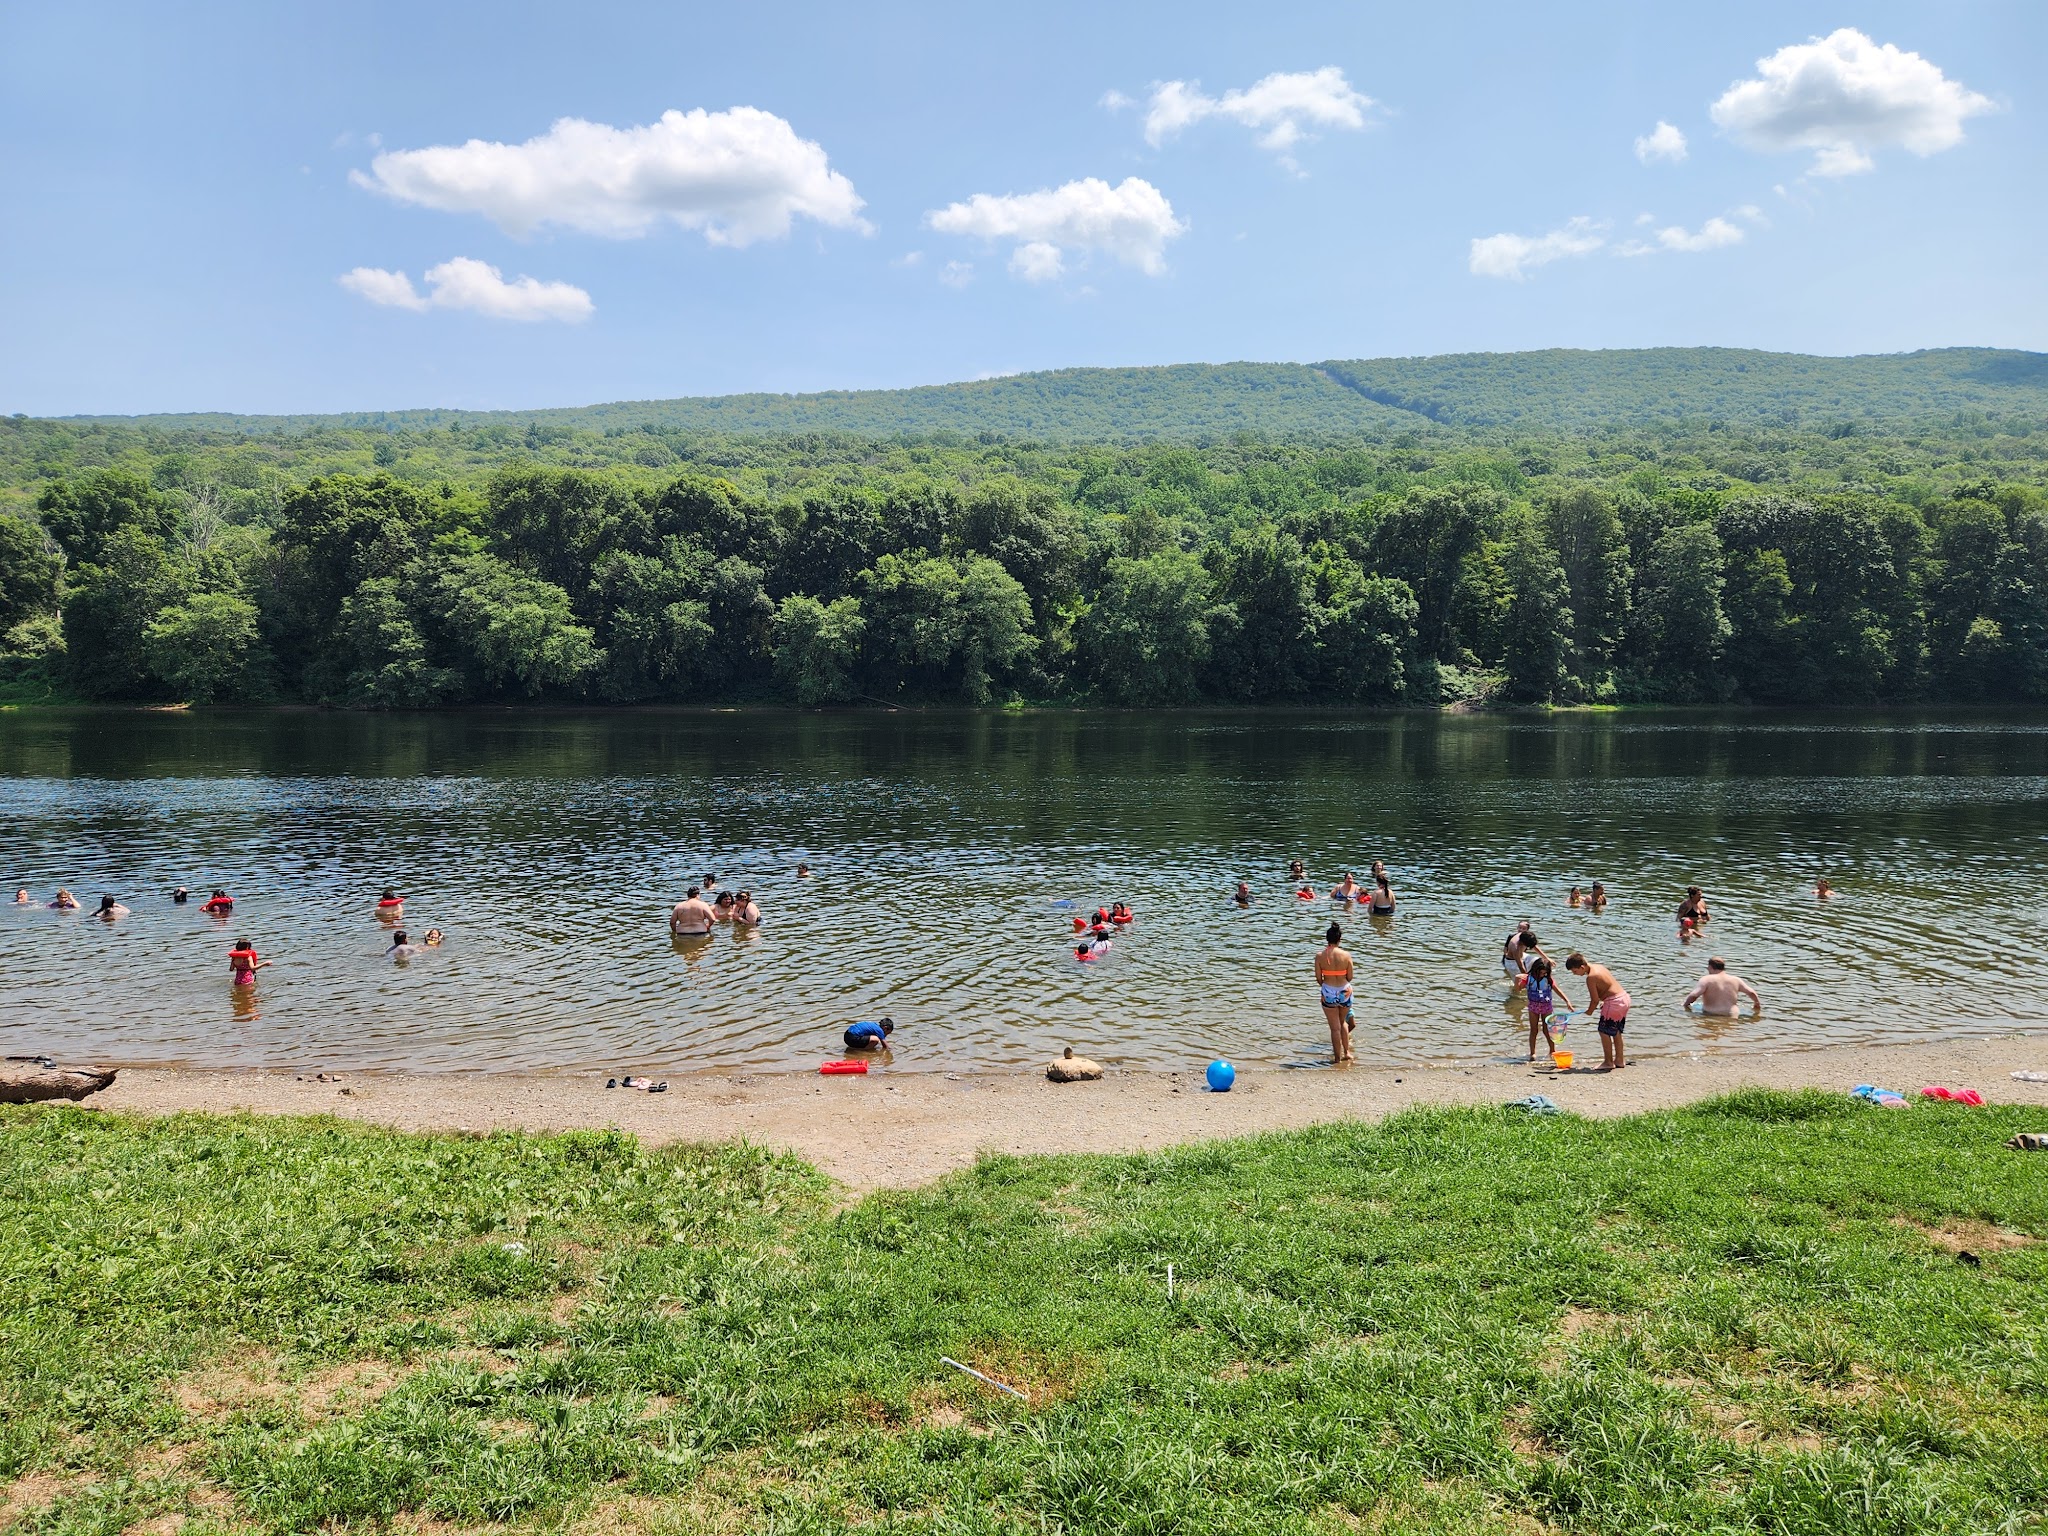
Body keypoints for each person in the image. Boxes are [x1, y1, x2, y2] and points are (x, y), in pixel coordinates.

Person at [1566, 952, 1631, 1071]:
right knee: (1616, 1031)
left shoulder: (1591, 977)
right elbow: (1607, 987)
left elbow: (1594, 1000)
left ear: (1582, 967)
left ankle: (1608, 1062)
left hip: (1614, 1002)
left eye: (1574, 971)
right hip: (1624, 998)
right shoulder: (1598, 967)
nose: (1574, 974)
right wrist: (1605, 1001)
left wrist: (1589, 1011)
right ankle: (1620, 1060)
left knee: (1603, 1031)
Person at [1315, 923, 1355, 1065]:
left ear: (1327, 939)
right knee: (1343, 1022)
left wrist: (1327, 987)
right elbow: (1350, 977)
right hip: (1345, 989)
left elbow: (1319, 979)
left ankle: (1337, 1059)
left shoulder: (1320, 956)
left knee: (1334, 1028)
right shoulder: (1346, 955)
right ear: (1340, 939)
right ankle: (1347, 1053)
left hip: (1329, 990)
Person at [1524, 956, 1575, 1061]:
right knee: (1534, 1030)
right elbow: (1517, 987)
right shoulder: (1528, 979)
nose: (1542, 975)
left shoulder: (1548, 980)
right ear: (1535, 970)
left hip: (1546, 1007)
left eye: (1544, 973)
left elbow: (1557, 990)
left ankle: (1552, 1050)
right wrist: (1518, 979)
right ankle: (1532, 1053)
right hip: (1533, 1007)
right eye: (1540, 973)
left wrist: (1567, 1001)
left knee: (1548, 1030)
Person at [1686, 957, 1762, 1016]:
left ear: (1710, 967)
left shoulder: (1706, 979)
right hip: (1732, 1014)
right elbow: (1751, 993)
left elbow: (1694, 995)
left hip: (1712, 1014)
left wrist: (1685, 1005)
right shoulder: (1736, 980)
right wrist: (1757, 1004)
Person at [1501, 923, 1545, 990]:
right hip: (1512, 963)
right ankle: (1516, 995)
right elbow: (1521, 966)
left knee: (1540, 962)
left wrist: (1546, 958)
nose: (1521, 929)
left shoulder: (1524, 935)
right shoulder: (1515, 947)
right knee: (1519, 983)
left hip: (1523, 956)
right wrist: (1528, 979)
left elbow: (1534, 946)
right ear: (1522, 943)